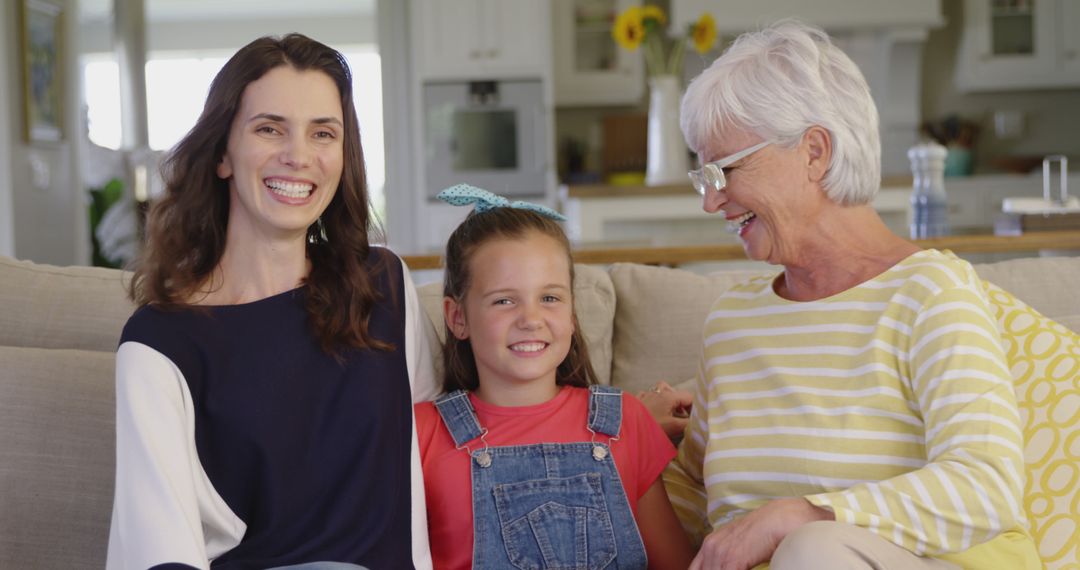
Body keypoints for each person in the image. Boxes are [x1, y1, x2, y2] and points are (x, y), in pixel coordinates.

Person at [657, 20, 1041, 570]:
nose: (711, 202)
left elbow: (987, 486)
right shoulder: (732, 322)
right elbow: (696, 498)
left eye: (724, 170)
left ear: (814, 151)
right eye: (704, 176)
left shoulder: (928, 293)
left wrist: (802, 517)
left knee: (814, 550)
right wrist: (625, 438)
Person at [106, 34, 438, 569]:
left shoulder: (384, 285)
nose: (298, 156)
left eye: (322, 133)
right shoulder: (160, 343)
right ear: (222, 155)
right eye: (269, 129)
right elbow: (156, 545)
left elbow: (440, 455)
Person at [414, 185, 694, 569]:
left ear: (572, 311)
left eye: (549, 298)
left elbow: (676, 564)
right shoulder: (423, 433)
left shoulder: (626, 420)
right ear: (457, 317)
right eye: (504, 300)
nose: (531, 319)